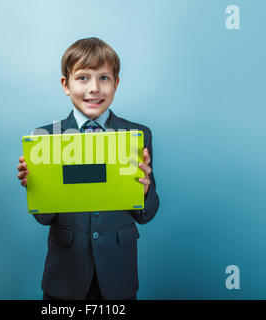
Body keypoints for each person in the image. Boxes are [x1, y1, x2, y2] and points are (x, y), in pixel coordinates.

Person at [17, 37, 160, 300]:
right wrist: (36, 186)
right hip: (65, 277)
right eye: (83, 78)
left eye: (104, 78)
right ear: (66, 85)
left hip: (118, 274)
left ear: (116, 84)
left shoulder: (137, 135)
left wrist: (145, 189)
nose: (94, 88)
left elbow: (146, 215)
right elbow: (44, 218)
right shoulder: (46, 138)